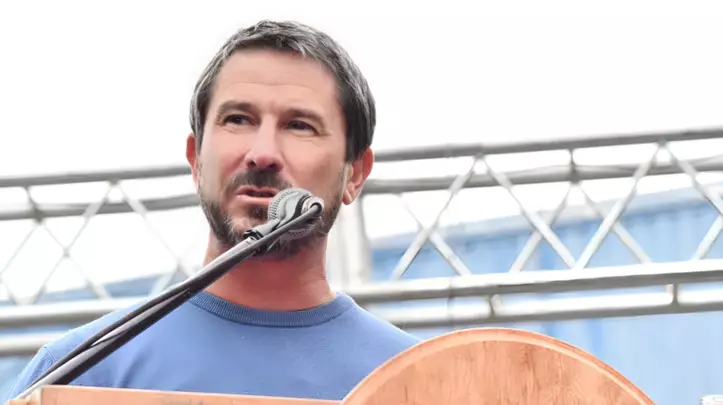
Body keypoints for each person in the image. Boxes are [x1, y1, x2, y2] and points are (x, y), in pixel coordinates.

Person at [4, 20, 420, 402]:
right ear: (196, 160)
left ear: (355, 174)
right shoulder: (76, 376)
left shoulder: (425, 381)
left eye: (299, 125)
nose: (262, 154)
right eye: (238, 119)